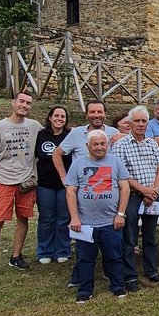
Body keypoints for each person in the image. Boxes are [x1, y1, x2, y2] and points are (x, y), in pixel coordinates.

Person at [52, 99, 118, 288]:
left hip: (107, 194)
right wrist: (65, 179)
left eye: (100, 112)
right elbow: (57, 154)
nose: (96, 115)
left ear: (105, 113)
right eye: (92, 112)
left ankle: (108, 270)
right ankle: (79, 274)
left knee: (108, 236)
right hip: (83, 196)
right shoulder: (75, 133)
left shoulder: (113, 133)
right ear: (86, 114)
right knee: (82, 235)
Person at [0, 91, 43, 281]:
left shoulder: (34, 126)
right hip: (4, 181)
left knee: (23, 218)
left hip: (26, 182)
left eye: (28, 103)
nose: (24, 105)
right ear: (13, 103)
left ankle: (16, 256)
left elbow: (54, 133)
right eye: (21, 101)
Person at [65, 130, 130, 302]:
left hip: (111, 222)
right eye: (95, 144)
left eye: (103, 143)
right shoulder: (78, 164)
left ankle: (117, 286)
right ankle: (85, 290)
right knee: (85, 259)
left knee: (114, 256)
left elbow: (125, 188)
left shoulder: (116, 162)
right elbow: (71, 191)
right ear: (88, 146)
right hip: (85, 224)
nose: (100, 147)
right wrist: (74, 217)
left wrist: (120, 214)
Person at [112, 105, 159, 288]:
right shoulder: (120, 145)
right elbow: (122, 175)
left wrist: (155, 190)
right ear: (129, 123)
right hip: (132, 195)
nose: (141, 124)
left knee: (150, 236)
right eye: (137, 121)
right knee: (130, 237)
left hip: (152, 195)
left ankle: (151, 271)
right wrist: (144, 190)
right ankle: (130, 276)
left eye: (144, 121)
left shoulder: (152, 144)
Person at [35, 105, 71, 265]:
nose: (59, 119)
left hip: (65, 185)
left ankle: (62, 250)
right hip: (45, 184)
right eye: (56, 115)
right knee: (46, 219)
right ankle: (45, 250)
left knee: (63, 219)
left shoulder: (70, 135)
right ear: (50, 118)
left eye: (63, 116)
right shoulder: (41, 135)